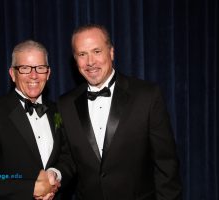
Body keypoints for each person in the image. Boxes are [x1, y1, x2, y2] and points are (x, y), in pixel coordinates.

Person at [49, 24, 182, 199]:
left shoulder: (147, 96)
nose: (90, 62)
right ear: (75, 60)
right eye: (82, 54)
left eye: (97, 51)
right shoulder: (64, 104)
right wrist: (55, 174)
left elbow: (166, 164)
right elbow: (68, 157)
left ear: (111, 52)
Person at [0, 40, 61, 200]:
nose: (34, 75)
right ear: (12, 74)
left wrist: (56, 174)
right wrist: (31, 188)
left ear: (48, 73)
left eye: (40, 68)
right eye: (24, 68)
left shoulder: (57, 111)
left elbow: (66, 157)